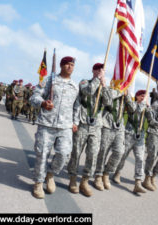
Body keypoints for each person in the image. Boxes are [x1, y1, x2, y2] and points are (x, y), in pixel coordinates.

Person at [30, 56, 79, 199]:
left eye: (72, 65)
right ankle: (38, 182)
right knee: (42, 154)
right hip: (47, 123)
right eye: (67, 64)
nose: (70, 67)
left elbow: (77, 107)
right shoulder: (49, 81)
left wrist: (75, 122)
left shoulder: (75, 86)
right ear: (61, 66)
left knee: (63, 154)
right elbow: (34, 97)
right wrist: (43, 103)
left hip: (65, 126)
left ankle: (50, 174)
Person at [67, 63, 109, 197]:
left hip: (96, 126)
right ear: (93, 70)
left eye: (102, 70)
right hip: (83, 123)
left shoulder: (102, 85)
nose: (100, 72)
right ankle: (73, 179)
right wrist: (97, 79)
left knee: (93, 154)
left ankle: (85, 181)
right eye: (98, 69)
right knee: (76, 152)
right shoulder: (85, 82)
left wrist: (105, 86)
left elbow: (108, 103)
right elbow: (88, 91)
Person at [94, 88, 134, 191]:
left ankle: (106, 173)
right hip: (107, 124)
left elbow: (132, 109)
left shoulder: (127, 94)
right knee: (103, 151)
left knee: (119, 152)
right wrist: (119, 92)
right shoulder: (110, 89)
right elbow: (107, 102)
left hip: (119, 127)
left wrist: (128, 96)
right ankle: (98, 175)